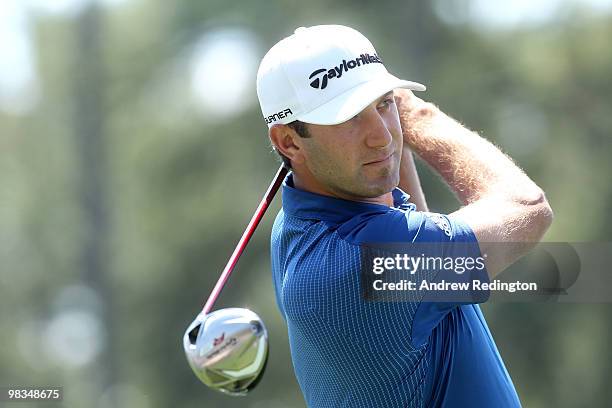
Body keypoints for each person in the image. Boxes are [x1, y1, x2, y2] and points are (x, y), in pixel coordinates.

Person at [256, 24, 553, 408]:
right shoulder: (363, 264)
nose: (381, 135)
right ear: (289, 141)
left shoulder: (303, 223)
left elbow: (404, 211)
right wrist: (418, 116)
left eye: (383, 105)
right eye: (349, 119)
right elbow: (527, 209)